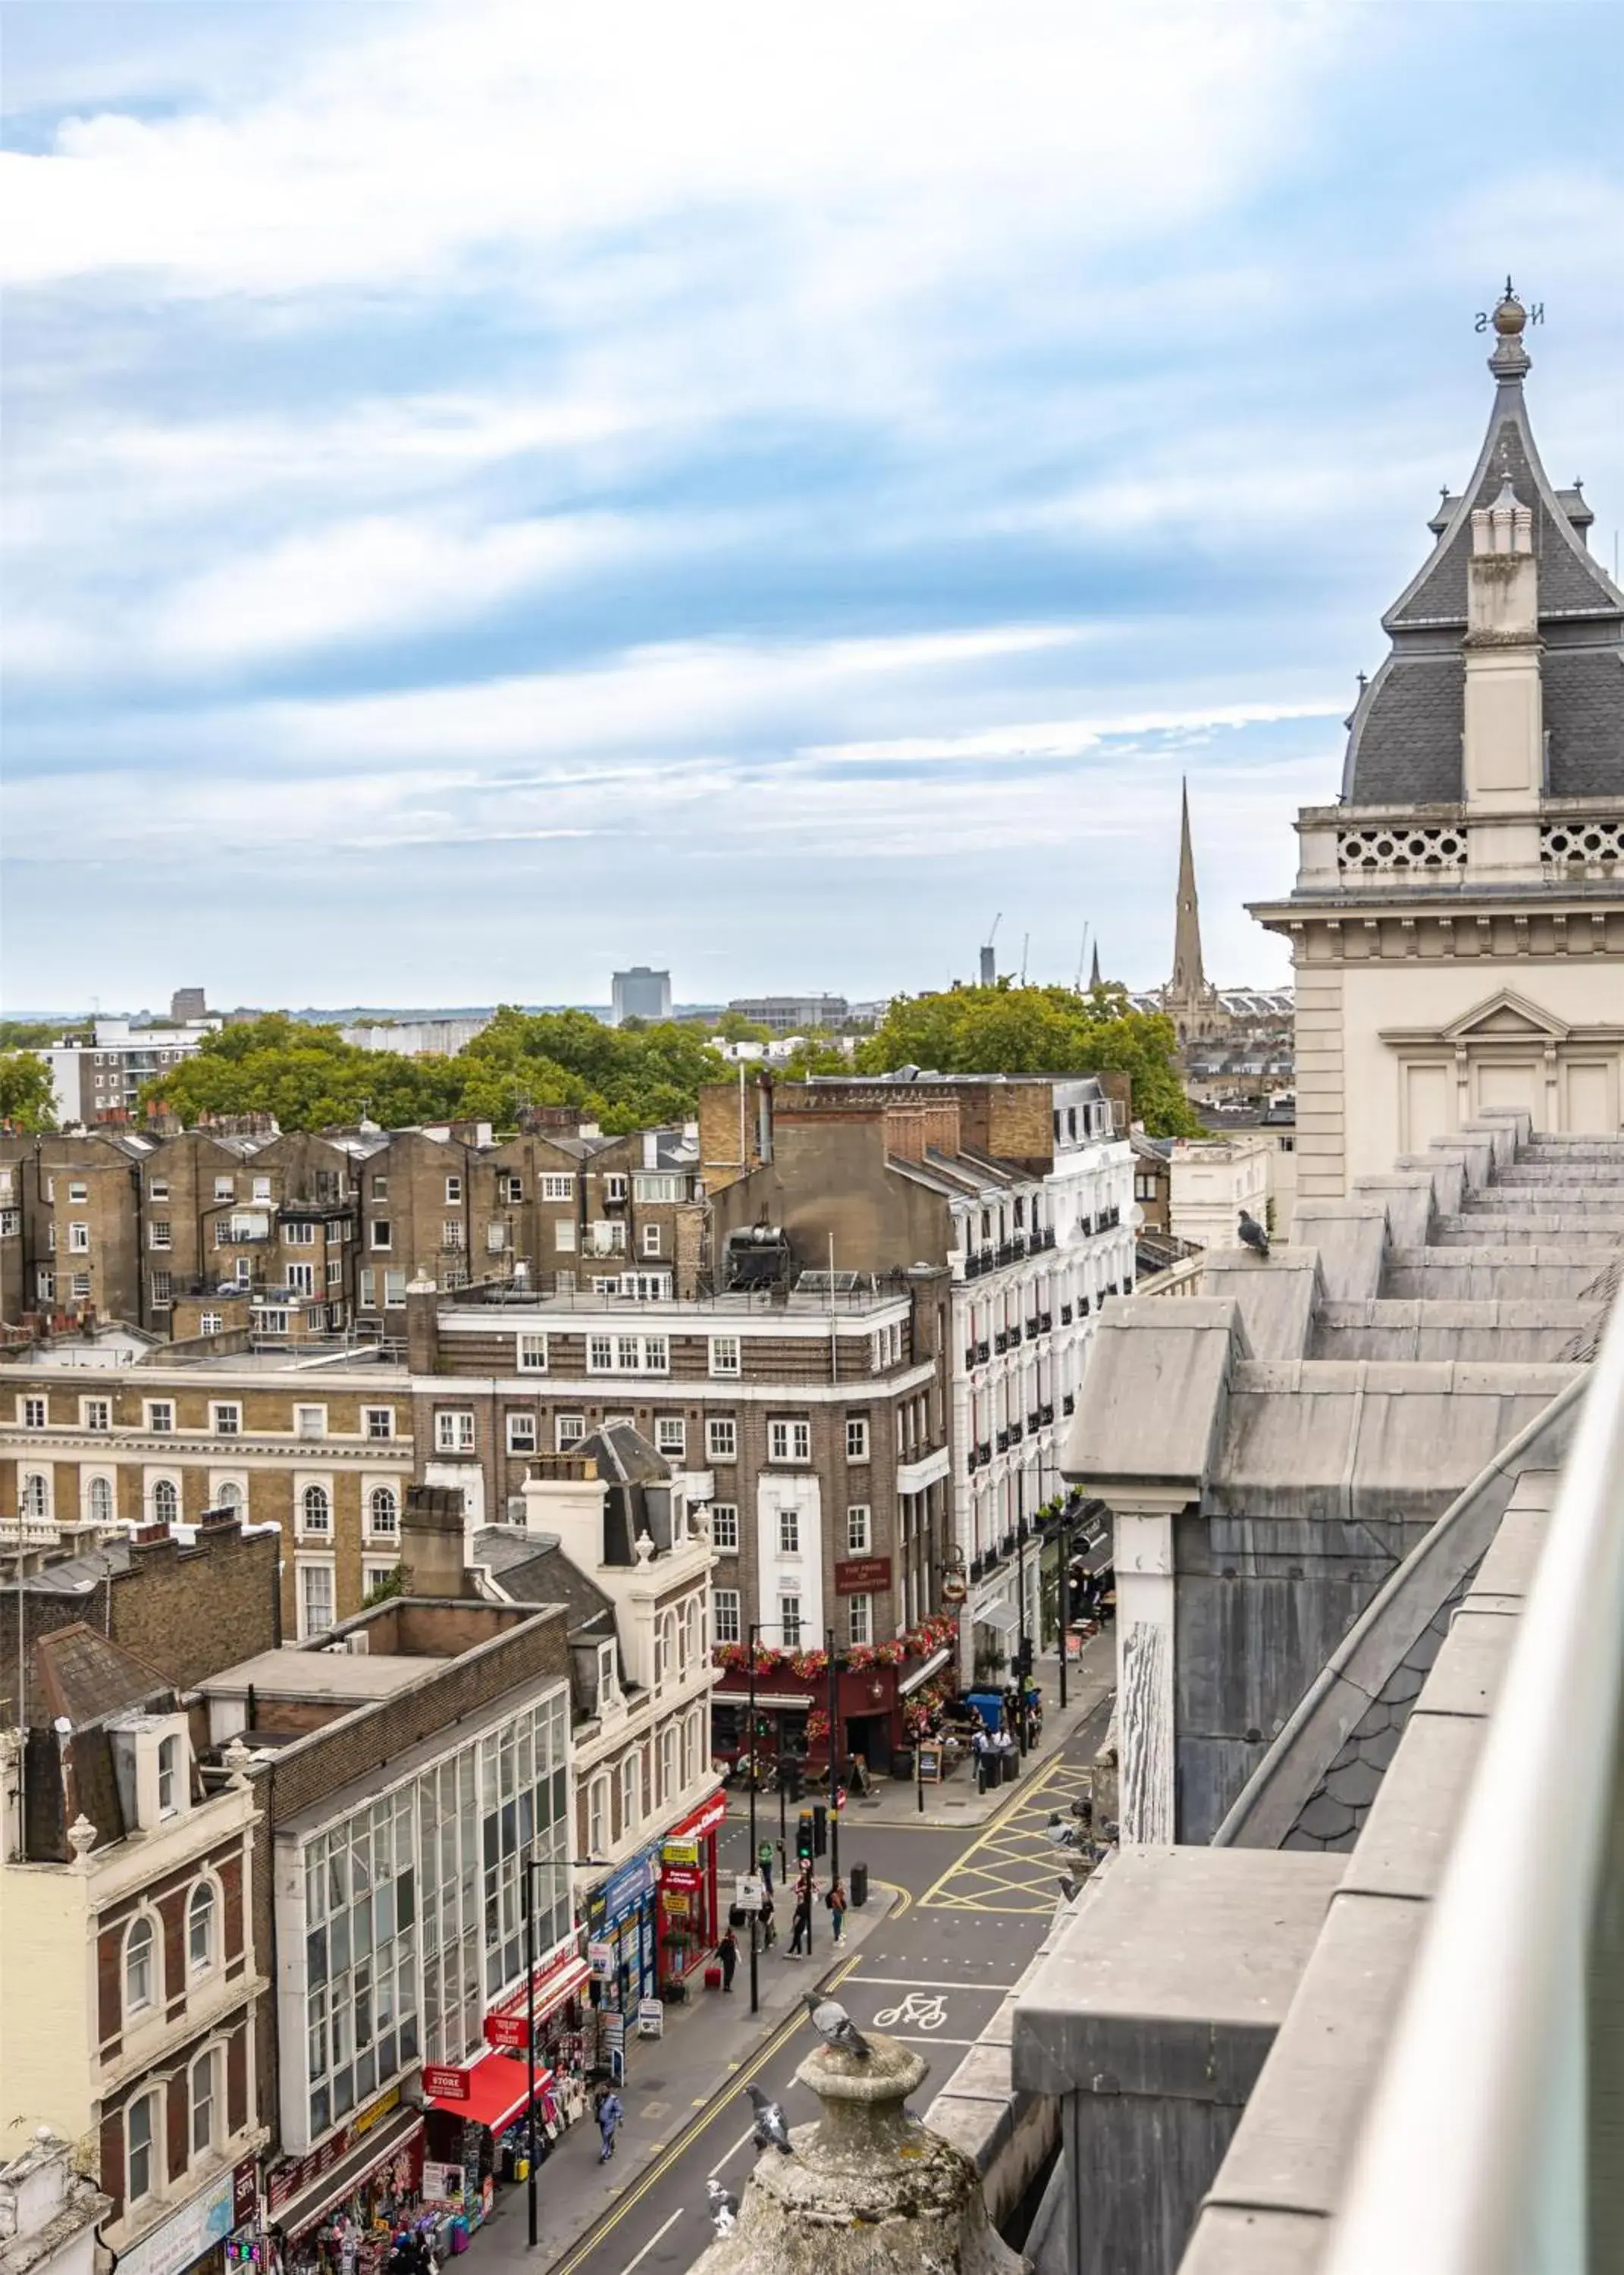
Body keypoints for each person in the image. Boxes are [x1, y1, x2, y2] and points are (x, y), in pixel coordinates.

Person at [788, 1876, 814, 1957]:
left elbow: (798, 1917)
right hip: (802, 1924)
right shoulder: (806, 1905)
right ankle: (795, 1952)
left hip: (799, 1924)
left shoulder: (801, 1906)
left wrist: (793, 1926)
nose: (798, 1898)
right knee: (797, 1938)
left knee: (796, 1938)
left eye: (799, 1897)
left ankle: (792, 1952)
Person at [597, 2087, 622, 2163]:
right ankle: (612, 2144)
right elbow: (596, 2107)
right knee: (605, 2137)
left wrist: (620, 2118)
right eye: (602, 2089)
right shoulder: (600, 2098)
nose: (603, 2091)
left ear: (609, 2090)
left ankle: (605, 2155)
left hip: (610, 2122)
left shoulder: (614, 2099)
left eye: (605, 2089)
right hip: (602, 2122)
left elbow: (619, 2109)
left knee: (606, 2137)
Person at [826, 1875, 848, 1944]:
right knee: (837, 1924)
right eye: (839, 1886)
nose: (841, 1887)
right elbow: (838, 1904)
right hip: (837, 1911)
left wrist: (842, 1890)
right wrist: (842, 1910)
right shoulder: (834, 1895)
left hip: (839, 1911)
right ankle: (837, 1937)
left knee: (838, 1922)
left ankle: (839, 1933)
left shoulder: (839, 1893)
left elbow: (842, 1896)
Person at [716, 1926, 738, 1991]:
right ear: (730, 1932)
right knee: (728, 1972)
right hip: (728, 1959)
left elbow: (736, 1946)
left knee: (730, 1972)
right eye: (732, 1932)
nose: (733, 1933)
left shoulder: (733, 1939)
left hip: (732, 1958)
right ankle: (726, 1986)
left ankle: (727, 1985)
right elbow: (721, 1949)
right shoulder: (726, 1940)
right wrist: (717, 1956)